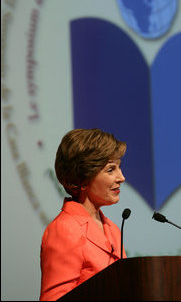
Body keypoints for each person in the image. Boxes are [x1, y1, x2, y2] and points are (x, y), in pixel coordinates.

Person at [39, 128, 127, 301]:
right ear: (83, 178)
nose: (121, 177)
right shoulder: (65, 230)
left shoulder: (112, 229)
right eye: (110, 170)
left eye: (119, 168)